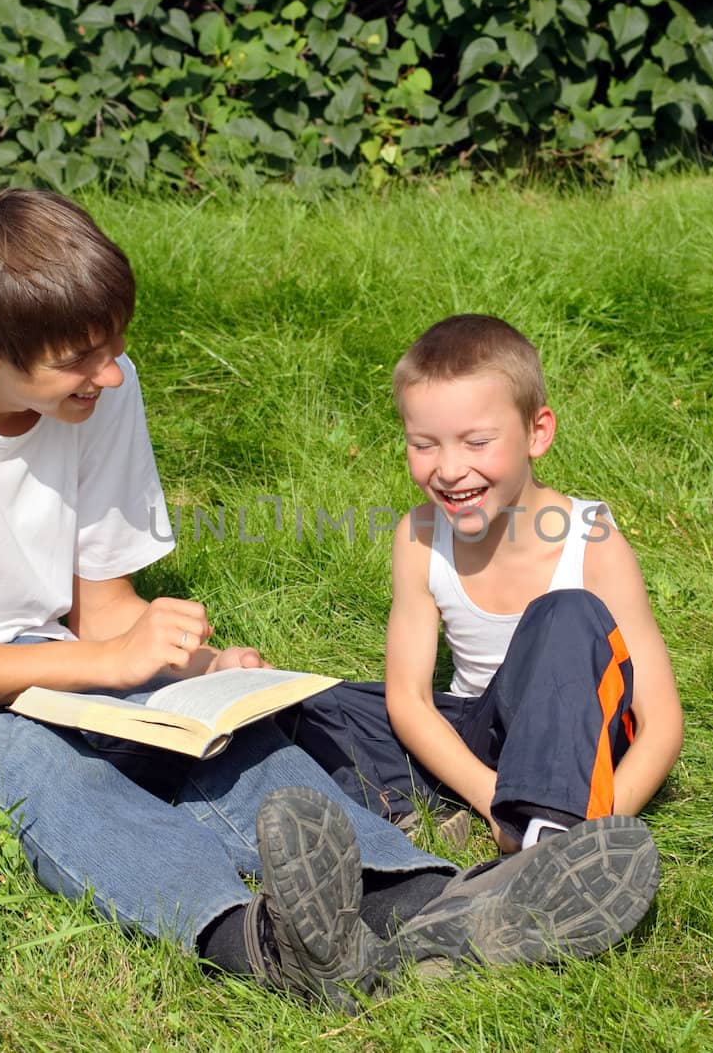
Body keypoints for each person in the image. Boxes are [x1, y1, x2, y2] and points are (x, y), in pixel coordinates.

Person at [0, 193, 660, 1010]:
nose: (110, 376)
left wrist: (189, 671)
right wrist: (102, 662)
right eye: (82, 360)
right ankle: (258, 939)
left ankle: (418, 900)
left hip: (32, 652)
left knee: (214, 731)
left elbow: (104, 607)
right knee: (31, 763)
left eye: (113, 344)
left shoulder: (100, 387)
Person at [287, 314, 684, 854]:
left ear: (536, 433)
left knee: (565, 613)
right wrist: (494, 797)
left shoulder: (590, 542)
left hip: (574, 736)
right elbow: (408, 700)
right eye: (424, 445)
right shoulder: (419, 538)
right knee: (303, 704)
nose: (449, 469)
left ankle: (560, 832)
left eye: (476, 442)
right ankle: (462, 811)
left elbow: (658, 723)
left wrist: (606, 823)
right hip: (482, 733)